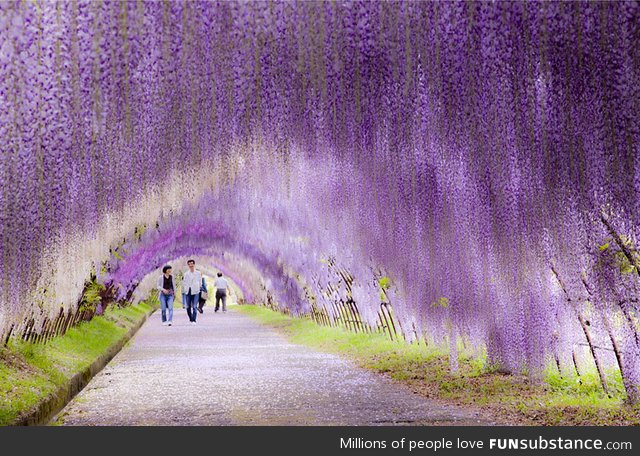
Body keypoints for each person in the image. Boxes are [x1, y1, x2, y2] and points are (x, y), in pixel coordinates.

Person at [182, 259, 202, 324]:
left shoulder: (198, 273)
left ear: (194, 264)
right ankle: (191, 318)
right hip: (188, 291)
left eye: (192, 264)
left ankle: (194, 320)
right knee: (188, 307)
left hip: (196, 291)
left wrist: (199, 287)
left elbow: (200, 281)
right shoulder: (186, 274)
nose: (191, 265)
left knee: (194, 306)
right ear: (188, 265)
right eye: (189, 264)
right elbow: (184, 282)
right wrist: (185, 288)